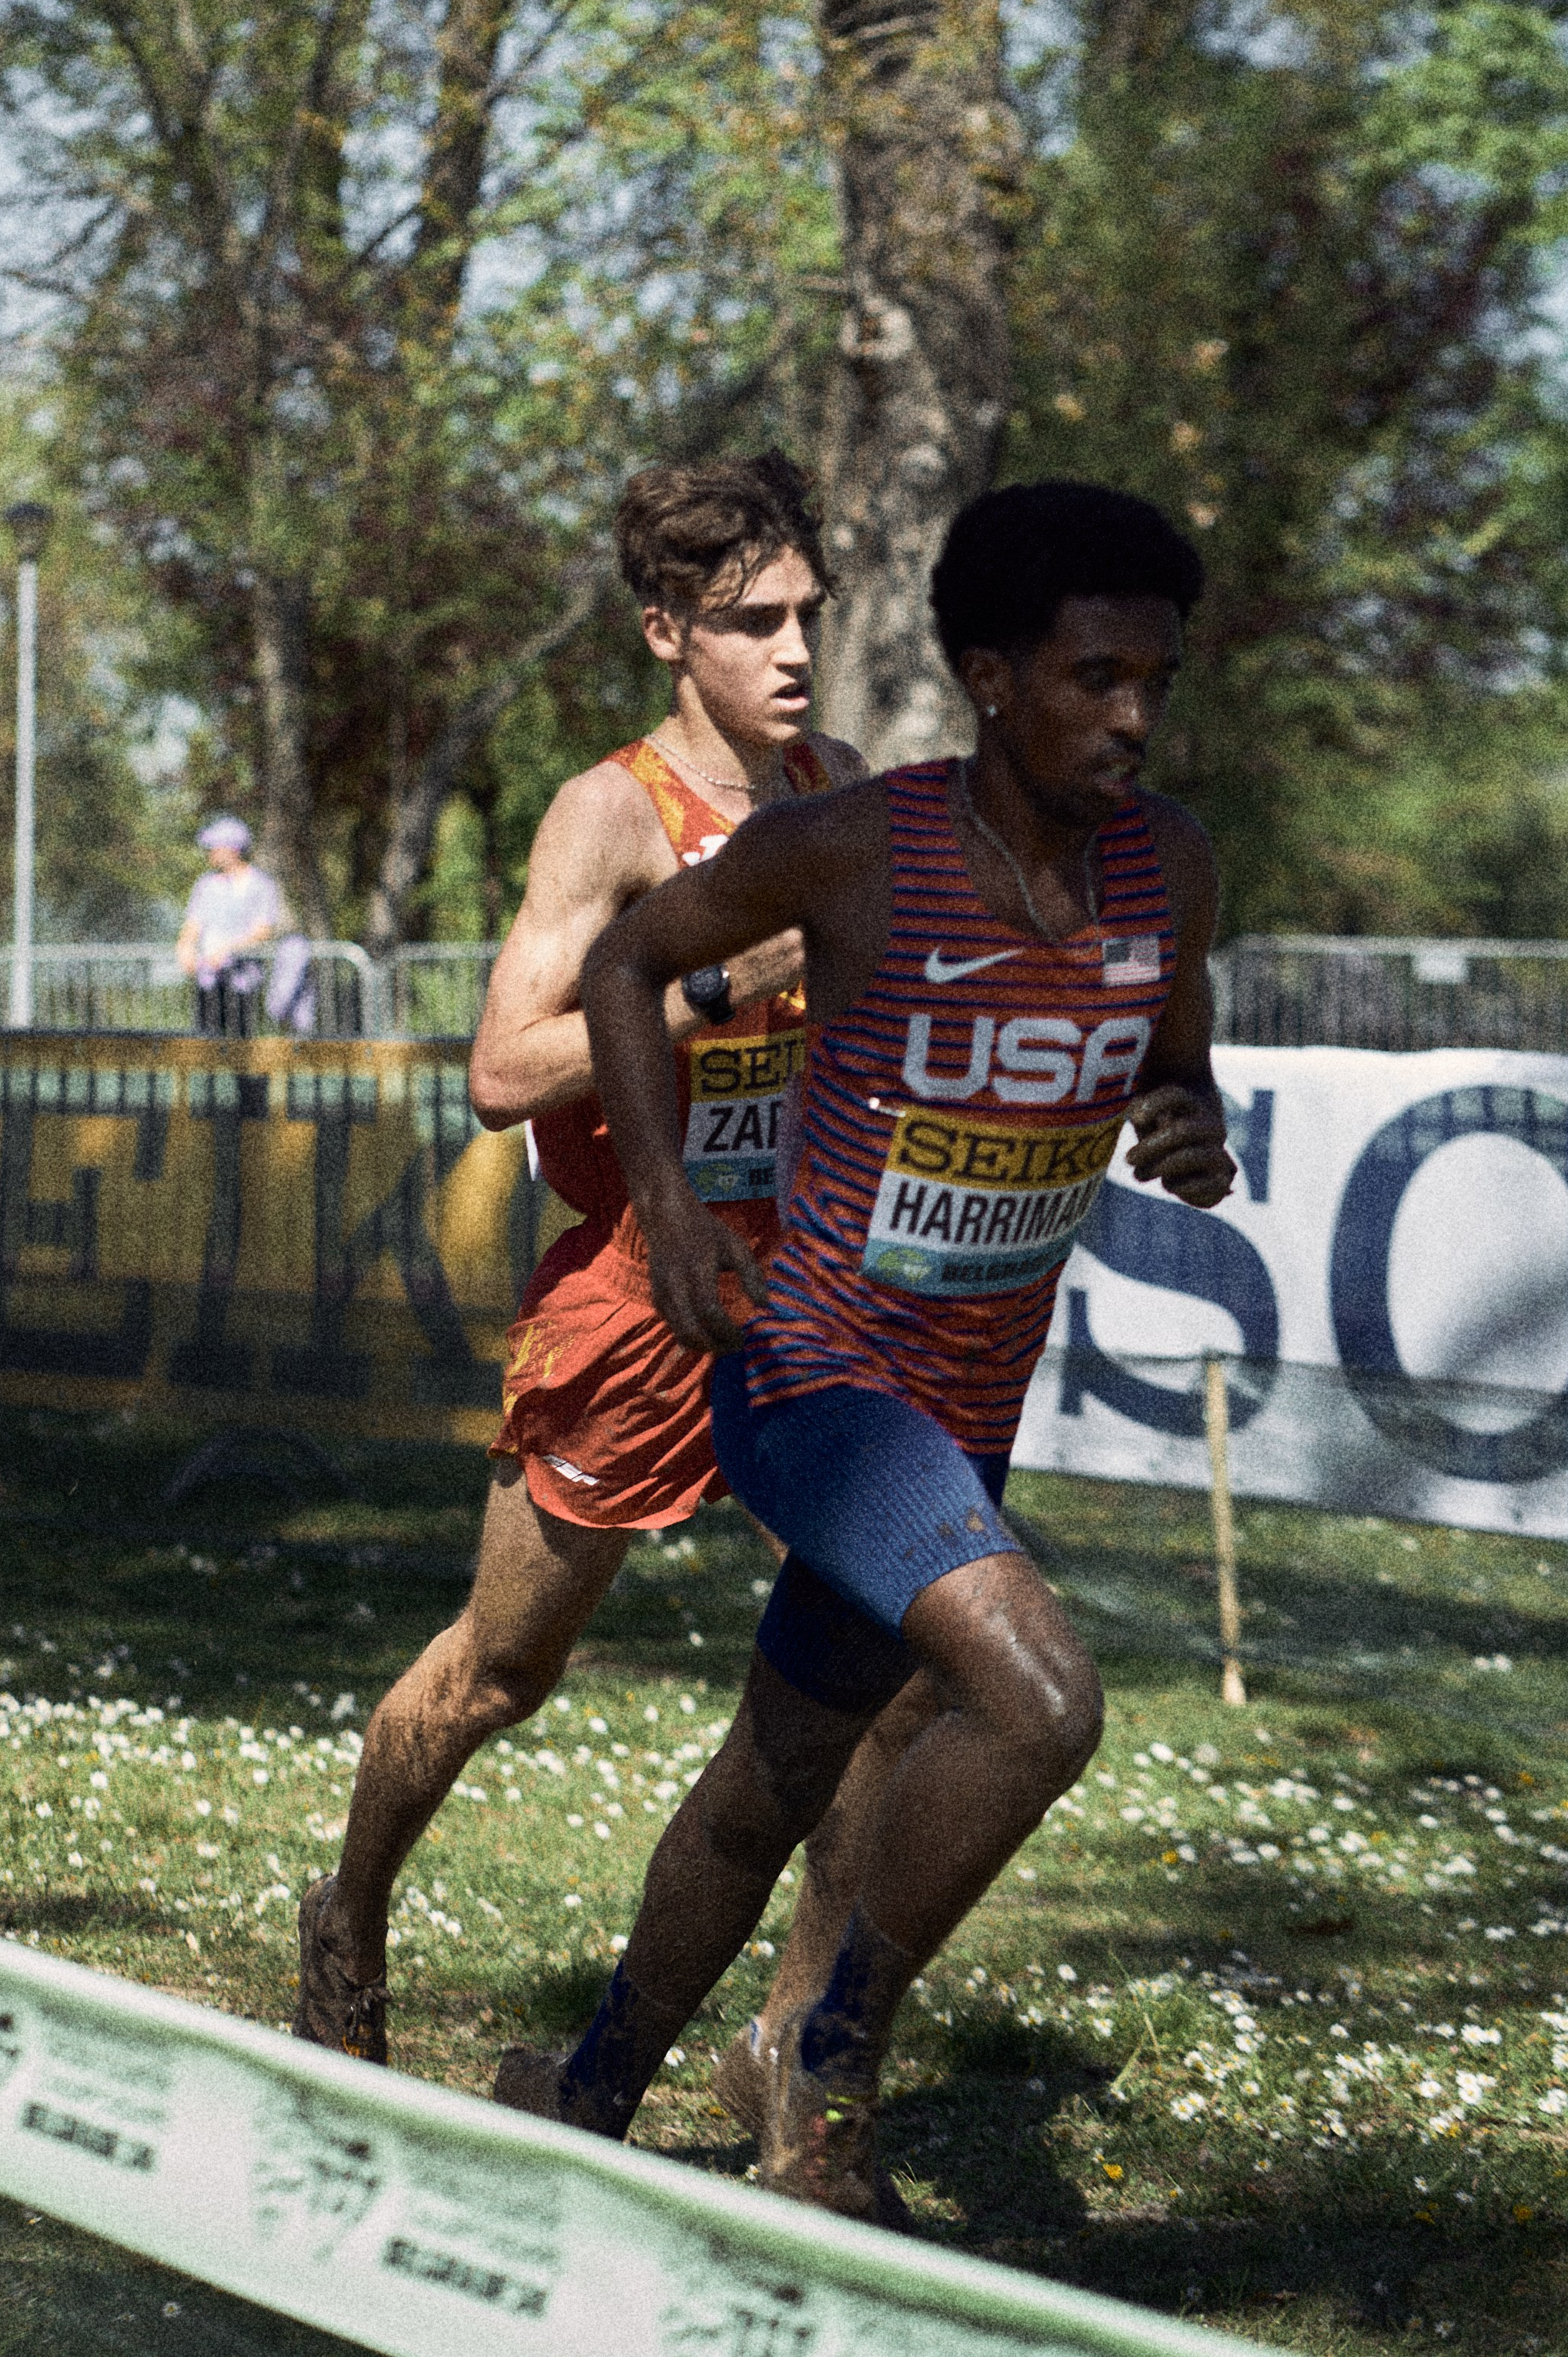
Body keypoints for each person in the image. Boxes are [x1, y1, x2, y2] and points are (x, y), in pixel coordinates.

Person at [493, 478, 1237, 2222]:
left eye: (1155, 681)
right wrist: (673, 1215)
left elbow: (1174, 1061)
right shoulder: (857, 847)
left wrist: (1183, 1120)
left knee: (772, 1782)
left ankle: (589, 2082)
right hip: (811, 1380)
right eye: (1092, 678)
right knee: (1041, 1699)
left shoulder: (1171, 866)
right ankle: (826, 2067)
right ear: (988, 673)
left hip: (967, 1415)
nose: (1132, 716)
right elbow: (618, 970)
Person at [293, 450, 931, 2081]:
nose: (791, 652)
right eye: (747, 623)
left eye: (807, 614)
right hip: (641, 1286)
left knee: (895, 1654)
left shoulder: (837, 780)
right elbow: (503, 1068)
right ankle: (349, 1915)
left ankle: (794, 2043)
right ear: (665, 631)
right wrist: (713, 991)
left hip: (811, 1286)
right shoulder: (609, 811)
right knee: (501, 1671)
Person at [176, 817, 285, 1036]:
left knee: (242, 1047)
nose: (210, 853)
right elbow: (193, 924)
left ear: (233, 849)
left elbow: (263, 931)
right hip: (208, 979)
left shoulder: (261, 885)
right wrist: (184, 947)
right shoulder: (205, 885)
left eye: (215, 848)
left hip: (243, 981)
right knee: (207, 1045)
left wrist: (227, 950)